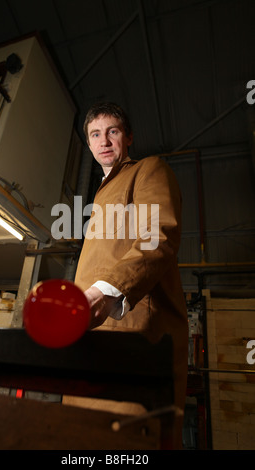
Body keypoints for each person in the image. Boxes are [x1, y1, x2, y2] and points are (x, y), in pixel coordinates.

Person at [64, 102, 188, 449]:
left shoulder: (148, 170)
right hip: (89, 338)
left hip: (131, 332)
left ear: (128, 137)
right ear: (89, 144)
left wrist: (107, 291)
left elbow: (157, 236)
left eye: (113, 131)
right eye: (95, 134)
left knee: (127, 441)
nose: (104, 141)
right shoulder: (102, 193)